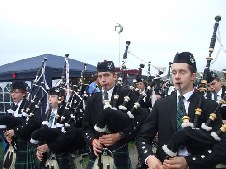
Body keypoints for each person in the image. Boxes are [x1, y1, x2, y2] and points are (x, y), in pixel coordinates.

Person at [136, 52, 225, 169]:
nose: (177, 76)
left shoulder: (209, 106)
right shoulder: (161, 105)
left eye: (182, 72)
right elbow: (143, 137)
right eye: (174, 72)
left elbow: (222, 147)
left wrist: (189, 162)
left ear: (193, 76)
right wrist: (150, 158)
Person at [82, 60, 148, 169]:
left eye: (107, 75)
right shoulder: (92, 99)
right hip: (97, 154)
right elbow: (86, 126)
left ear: (115, 76)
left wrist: (120, 135)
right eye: (100, 76)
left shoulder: (128, 94)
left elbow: (141, 119)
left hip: (119, 150)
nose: (103, 79)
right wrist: (92, 140)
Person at [35, 86, 79, 169]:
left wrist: (50, 146)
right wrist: (39, 149)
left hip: (62, 156)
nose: (49, 99)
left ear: (61, 98)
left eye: (53, 96)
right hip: (46, 158)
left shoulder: (68, 114)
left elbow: (69, 136)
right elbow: (42, 132)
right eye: (49, 97)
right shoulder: (47, 114)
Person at [1, 80, 41, 169]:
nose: (13, 95)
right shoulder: (12, 107)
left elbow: (33, 124)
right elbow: (5, 124)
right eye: (12, 92)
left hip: (25, 144)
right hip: (13, 145)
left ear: (24, 94)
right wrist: (6, 136)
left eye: (16, 92)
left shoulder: (30, 106)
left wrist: (15, 131)